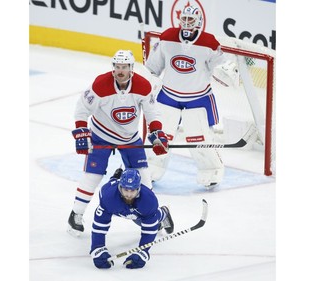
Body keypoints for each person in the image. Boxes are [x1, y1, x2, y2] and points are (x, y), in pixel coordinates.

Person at [68, 50, 169, 236]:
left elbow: (152, 112)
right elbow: (81, 109)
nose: (120, 71)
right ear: (113, 68)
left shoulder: (143, 86)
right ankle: (76, 214)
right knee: (93, 176)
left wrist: (156, 133)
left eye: (124, 67)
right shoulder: (100, 84)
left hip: (129, 138)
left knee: (144, 179)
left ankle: (154, 214)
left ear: (131, 68)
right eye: (117, 67)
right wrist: (82, 133)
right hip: (101, 136)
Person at [144, 5, 238, 189]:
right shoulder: (167, 37)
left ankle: (211, 170)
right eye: (184, 19)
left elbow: (224, 67)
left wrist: (227, 72)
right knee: (161, 134)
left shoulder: (209, 42)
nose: (187, 23)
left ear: (199, 22)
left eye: (191, 20)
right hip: (169, 95)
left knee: (199, 137)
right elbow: (152, 67)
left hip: (198, 97)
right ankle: (153, 166)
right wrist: (150, 79)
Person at [90, 168, 174, 269]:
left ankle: (165, 212)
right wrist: (97, 247)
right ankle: (116, 176)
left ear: (138, 188)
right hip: (118, 207)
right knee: (141, 216)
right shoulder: (108, 196)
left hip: (138, 211)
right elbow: (100, 225)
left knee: (153, 219)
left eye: (132, 190)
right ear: (120, 187)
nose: (129, 195)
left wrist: (142, 252)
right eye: (126, 189)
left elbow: (149, 231)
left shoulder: (149, 200)